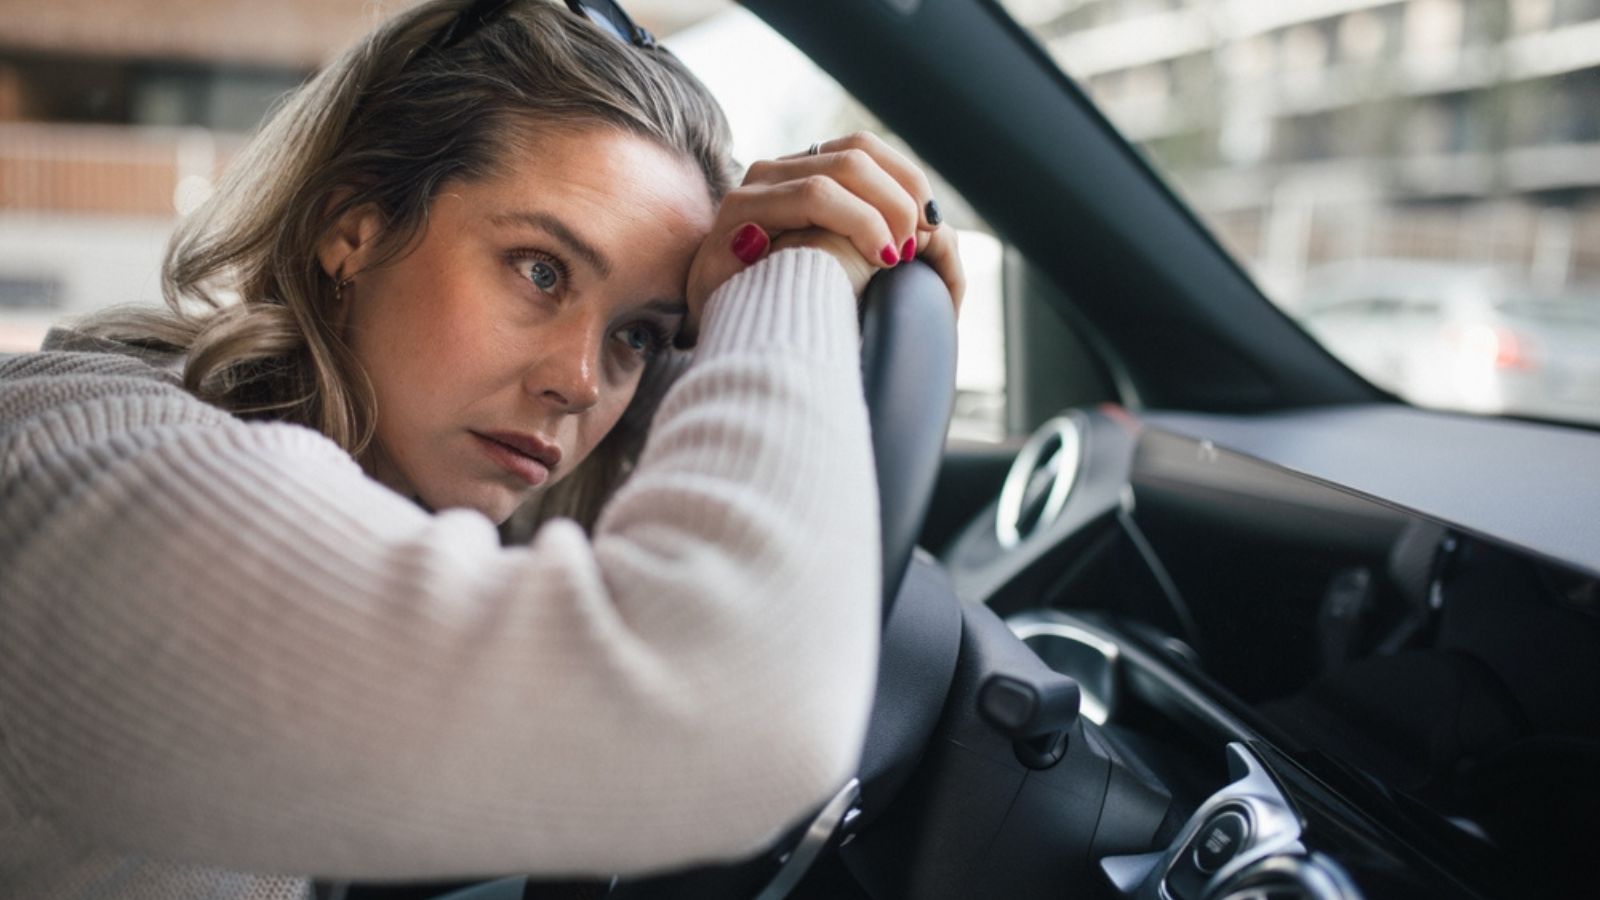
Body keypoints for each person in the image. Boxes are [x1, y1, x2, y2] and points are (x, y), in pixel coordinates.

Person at [0, 0, 965, 897]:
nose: (580, 383)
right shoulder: (99, 491)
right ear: (355, 228)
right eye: (540, 271)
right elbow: (732, 702)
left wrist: (743, 330)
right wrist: (788, 283)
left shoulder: (397, 474)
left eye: (637, 335)